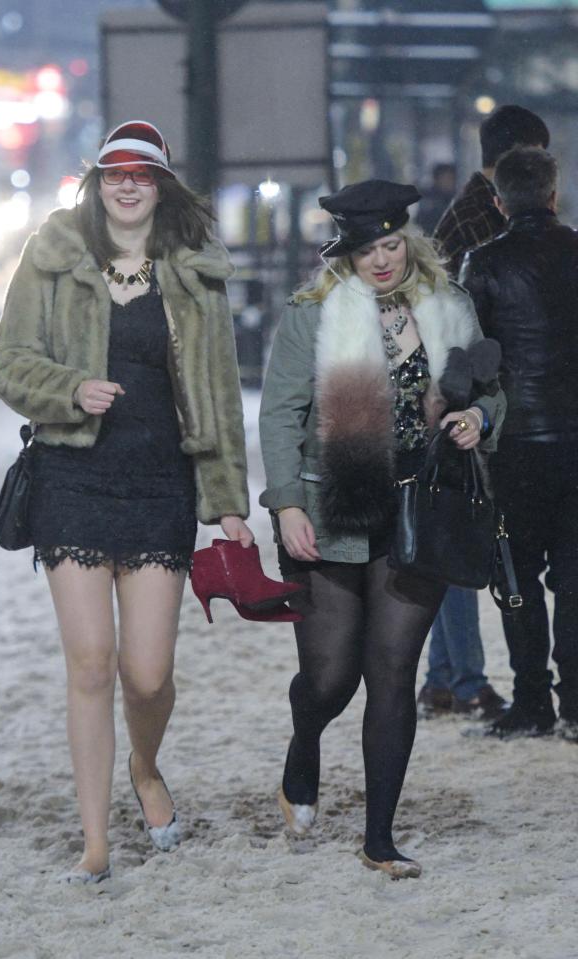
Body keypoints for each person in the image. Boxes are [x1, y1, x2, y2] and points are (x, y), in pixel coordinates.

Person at [0, 120, 253, 882]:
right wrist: (68, 389)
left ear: (161, 184)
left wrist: (228, 498)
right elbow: (7, 362)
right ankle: (95, 841)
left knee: (146, 672)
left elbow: (220, 396)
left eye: (142, 172)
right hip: (71, 478)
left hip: (160, 483)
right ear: (96, 182)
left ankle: (145, 764)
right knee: (91, 664)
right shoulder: (53, 257)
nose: (128, 184)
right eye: (114, 172)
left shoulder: (194, 273)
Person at [259, 180, 505, 878]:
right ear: (347, 253)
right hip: (332, 507)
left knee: (391, 669)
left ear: (409, 239)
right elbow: (280, 414)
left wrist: (477, 419)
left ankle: (379, 835)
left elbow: (492, 390)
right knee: (331, 676)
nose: (382, 259)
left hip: (419, 511)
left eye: (392, 243)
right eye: (367, 249)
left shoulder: (449, 306)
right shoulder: (312, 315)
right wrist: (285, 505)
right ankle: (305, 745)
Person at [419, 104, 551, 721]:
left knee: (455, 533)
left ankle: (446, 677)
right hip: (470, 404)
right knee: (466, 537)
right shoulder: (483, 222)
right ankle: (465, 679)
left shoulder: (464, 214)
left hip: (453, 397)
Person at [460, 146, 578, 740]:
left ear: (499, 201)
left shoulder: (481, 264)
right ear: (554, 196)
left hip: (513, 444)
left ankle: (531, 701)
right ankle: (577, 703)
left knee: (517, 576)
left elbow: (473, 358)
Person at [414, 162, 456, 237]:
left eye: (450, 179)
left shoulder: (456, 200)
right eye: (444, 178)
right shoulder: (427, 199)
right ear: (436, 180)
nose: (447, 182)